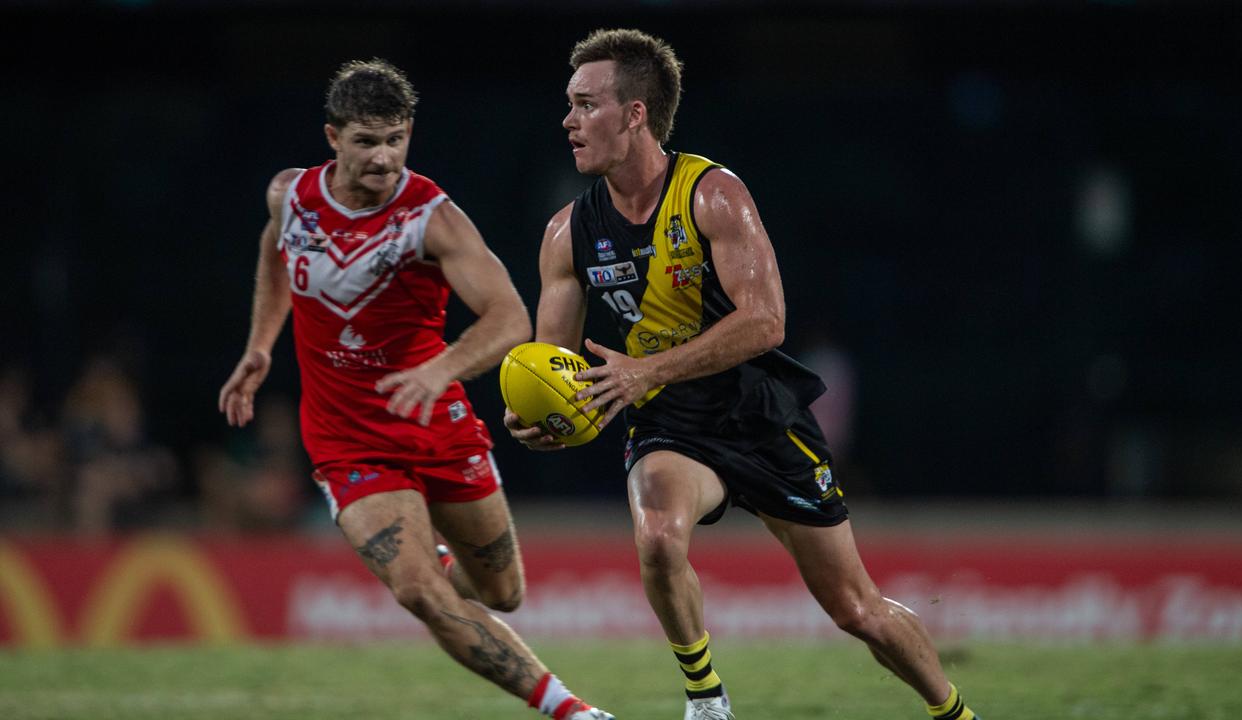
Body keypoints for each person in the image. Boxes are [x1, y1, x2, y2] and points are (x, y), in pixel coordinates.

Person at [507, 29, 981, 720]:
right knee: (659, 537)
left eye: (585, 105)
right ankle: (707, 698)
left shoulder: (712, 194)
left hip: (758, 412)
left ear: (636, 113)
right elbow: (553, 364)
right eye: (569, 105)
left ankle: (955, 713)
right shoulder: (566, 235)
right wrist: (548, 418)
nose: (568, 121)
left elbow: (766, 322)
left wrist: (646, 370)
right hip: (670, 422)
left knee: (857, 610)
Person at [218, 59, 613, 720]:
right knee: (419, 593)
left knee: (504, 592)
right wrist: (260, 344)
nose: (383, 157)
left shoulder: (432, 218)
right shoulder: (290, 196)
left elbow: (510, 317)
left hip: (435, 420)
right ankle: (572, 711)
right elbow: (273, 254)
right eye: (367, 141)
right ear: (333, 137)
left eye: (396, 139)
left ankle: (429, 555)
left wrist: (439, 370)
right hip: (345, 439)